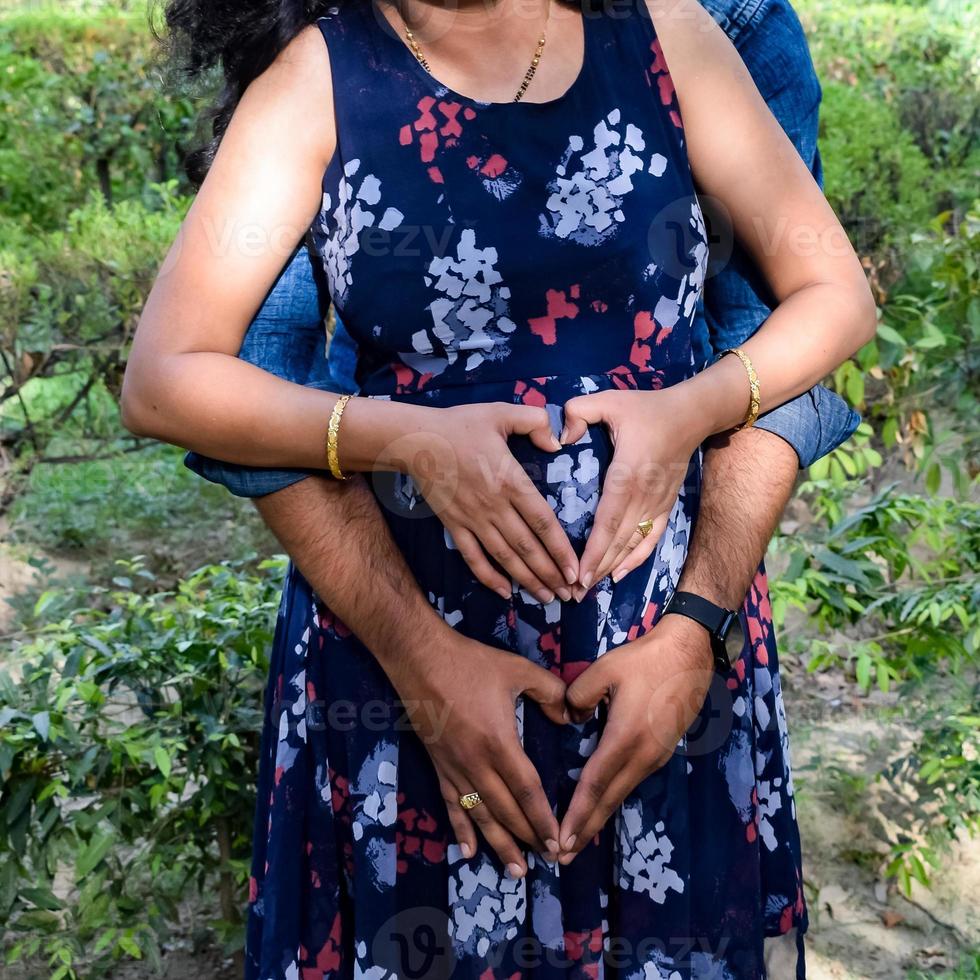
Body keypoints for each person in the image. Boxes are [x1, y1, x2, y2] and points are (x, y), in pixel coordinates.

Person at [122, 0, 877, 975]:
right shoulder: (317, 76)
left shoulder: (670, 35)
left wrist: (690, 410)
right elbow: (169, 373)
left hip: (658, 679)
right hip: (406, 691)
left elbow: (829, 289)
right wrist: (400, 438)